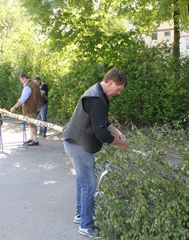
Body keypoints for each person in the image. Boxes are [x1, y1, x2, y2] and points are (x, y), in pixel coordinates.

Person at [63, 68, 130, 238]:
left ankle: (80, 215)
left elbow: (103, 122)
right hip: (79, 146)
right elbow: (101, 133)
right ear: (111, 82)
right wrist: (120, 144)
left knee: (82, 181)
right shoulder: (97, 98)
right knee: (89, 184)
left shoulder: (97, 92)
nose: (119, 93)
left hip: (75, 143)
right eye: (119, 89)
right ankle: (86, 225)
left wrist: (116, 131)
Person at [10, 73, 42, 146]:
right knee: (31, 123)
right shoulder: (34, 84)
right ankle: (32, 138)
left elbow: (22, 99)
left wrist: (14, 107)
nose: (21, 82)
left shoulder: (28, 87)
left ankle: (35, 140)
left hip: (31, 107)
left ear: (24, 78)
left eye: (21, 80)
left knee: (32, 124)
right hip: (36, 107)